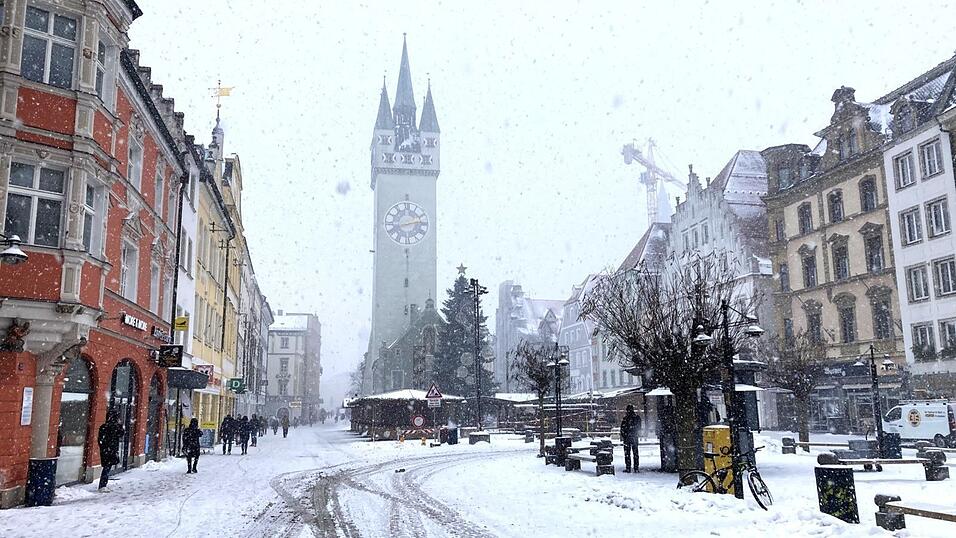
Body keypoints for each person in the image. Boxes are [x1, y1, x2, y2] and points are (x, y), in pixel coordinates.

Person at [97, 411, 124, 491]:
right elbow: (121, 434)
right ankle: (102, 485)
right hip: (111, 450)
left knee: (106, 467)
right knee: (107, 468)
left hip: (105, 450)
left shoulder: (104, 426)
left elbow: (100, 439)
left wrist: (103, 446)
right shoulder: (115, 427)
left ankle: (103, 485)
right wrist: (120, 425)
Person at [620, 404, 642, 473]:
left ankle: (628, 467)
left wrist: (624, 435)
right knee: (635, 453)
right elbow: (639, 427)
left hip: (627, 438)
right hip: (634, 437)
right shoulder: (637, 418)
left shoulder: (625, 418)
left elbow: (622, 428)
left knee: (627, 454)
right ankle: (636, 467)